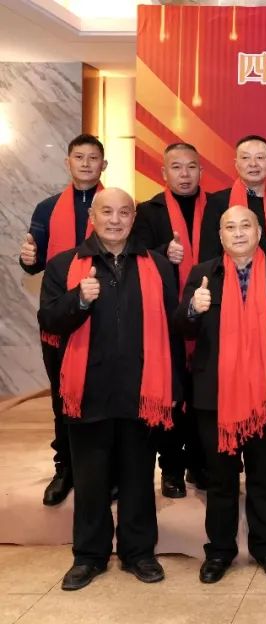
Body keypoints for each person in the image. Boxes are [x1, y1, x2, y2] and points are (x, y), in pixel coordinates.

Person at [38, 188, 178, 591]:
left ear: (133, 218)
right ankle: (89, 556)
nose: (115, 220)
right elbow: (48, 321)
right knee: (90, 481)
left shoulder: (157, 265)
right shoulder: (64, 265)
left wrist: (174, 388)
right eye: (107, 212)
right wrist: (78, 300)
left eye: (124, 213)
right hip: (88, 392)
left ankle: (139, 553)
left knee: (138, 478)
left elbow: (171, 330)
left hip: (141, 392)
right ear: (93, 217)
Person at [175, 205, 266, 584]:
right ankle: (219, 552)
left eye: (245, 226)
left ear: (259, 232)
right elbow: (181, 328)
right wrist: (192, 309)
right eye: (230, 227)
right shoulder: (203, 274)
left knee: (262, 477)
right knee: (220, 480)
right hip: (215, 396)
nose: (238, 233)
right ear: (220, 236)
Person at [20, 133, 107, 507]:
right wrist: (27, 259)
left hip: (104, 314)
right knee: (62, 395)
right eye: (79, 157)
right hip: (59, 315)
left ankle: (106, 472)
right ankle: (66, 469)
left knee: (104, 396)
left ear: (104, 165)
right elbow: (35, 261)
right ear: (67, 162)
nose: (86, 164)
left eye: (93, 158)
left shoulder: (114, 204)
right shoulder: (47, 208)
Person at [132, 141, 212, 498]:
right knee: (171, 394)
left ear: (200, 171)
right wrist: (164, 253)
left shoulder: (218, 207)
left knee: (203, 396)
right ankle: (171, 470)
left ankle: (199, 464)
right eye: (176, 167)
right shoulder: (148, 212)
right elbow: (135, 257)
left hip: (208, 316)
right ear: (164, 173)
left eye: (191, 167)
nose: (184, 174)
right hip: (165, 317)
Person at [202, 135, 266, 262]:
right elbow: (208, 256)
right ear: (236, 164)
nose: (253, 164)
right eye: (245, 158)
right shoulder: (218, 202)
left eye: (260, 157)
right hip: (231, 273)